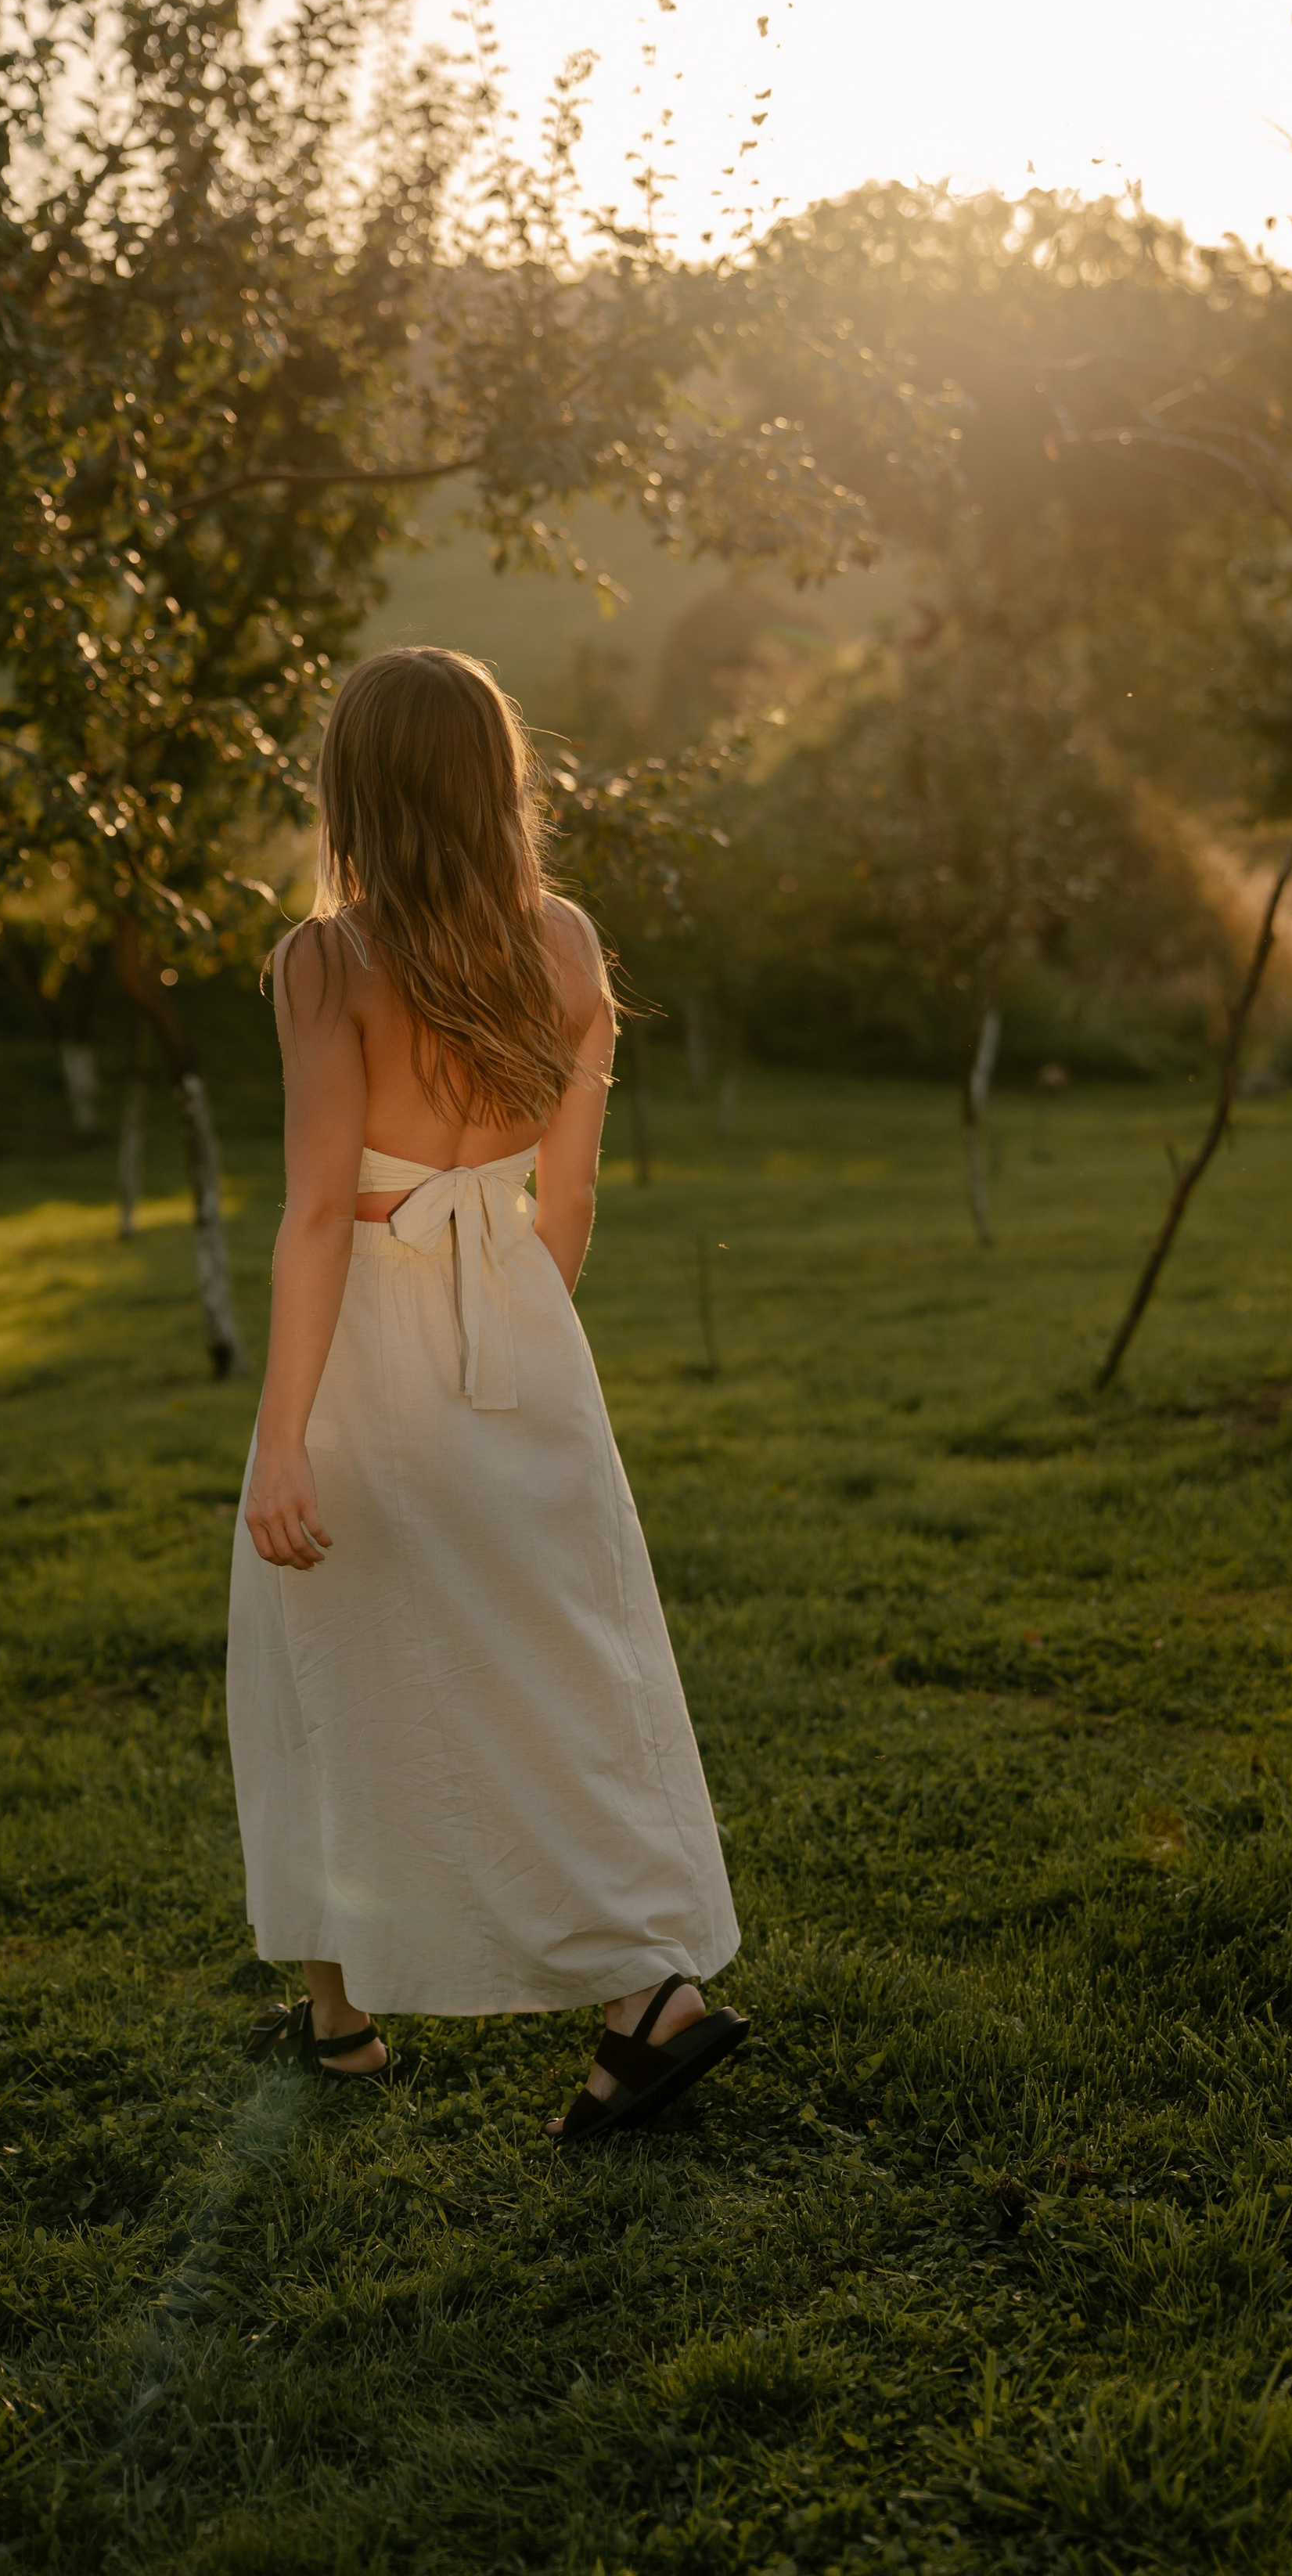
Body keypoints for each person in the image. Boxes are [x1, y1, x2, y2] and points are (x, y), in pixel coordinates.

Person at [227, 645, 745, 2145]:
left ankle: (426, 2013)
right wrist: (510, 1349)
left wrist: (283, 1440)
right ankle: (396, 2009)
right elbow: (567, 1202)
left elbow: (320, 1214)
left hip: (377, 1333)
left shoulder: (327, 962)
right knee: (562, 1669)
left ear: (357, 792)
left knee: (322, 1651)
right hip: (523, 1332)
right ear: (495, 779)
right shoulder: (568, 942)